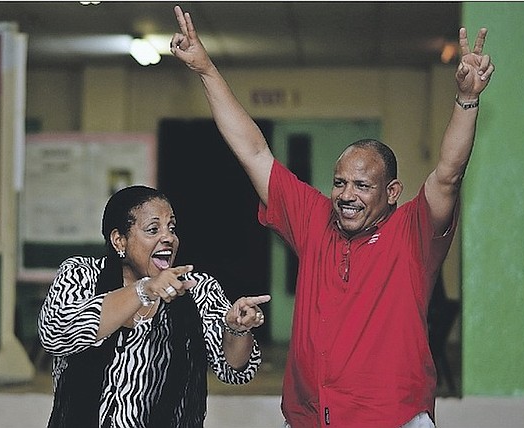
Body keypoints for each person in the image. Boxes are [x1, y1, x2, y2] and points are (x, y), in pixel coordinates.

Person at [170, 5, 494, 427]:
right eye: (340, 183)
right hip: (309, 417)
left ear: (392, 193)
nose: (346, 196)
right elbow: (252, 150)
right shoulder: (313, 219)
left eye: (362, 186)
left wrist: (467, 99)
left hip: (391, 417)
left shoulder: (413, 232)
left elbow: (449, 175)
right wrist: (207, 70)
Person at [38, 185, 271, 427]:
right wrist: (143, 290)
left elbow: (233, 371)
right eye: (153, 229)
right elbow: (56, 333)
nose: (168, 237)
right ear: (119, 241)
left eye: (172, 227)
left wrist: (237, 329)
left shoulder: (196, 289)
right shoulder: (81, 275)